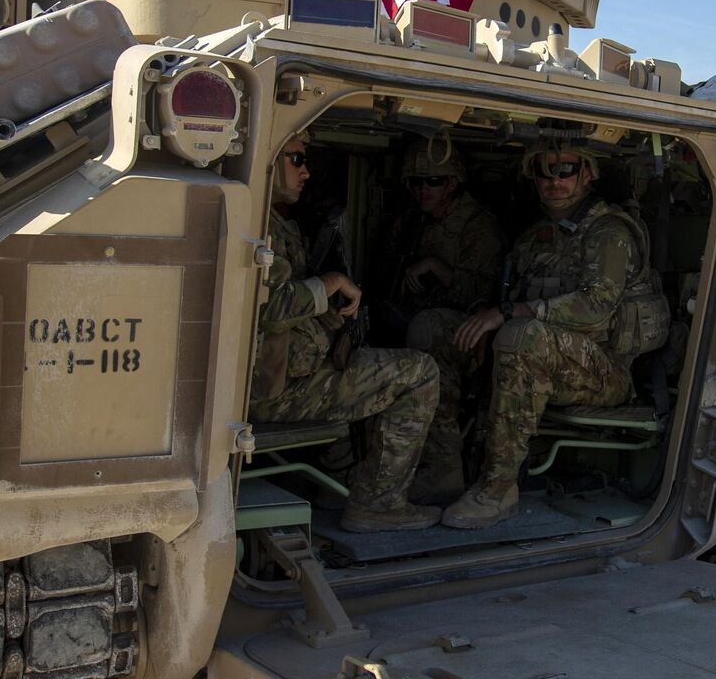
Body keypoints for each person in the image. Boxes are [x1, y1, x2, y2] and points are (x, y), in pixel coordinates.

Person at [435, 141, 668, 529]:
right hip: (545, 358)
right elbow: (508, 299)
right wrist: (486, 324)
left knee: (523, 335)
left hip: (606, 371)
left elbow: (595, 306)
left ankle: (498, 489)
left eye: (567, 170)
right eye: (546, 171)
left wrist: (509, 315)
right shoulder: (534, 238)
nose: (555, 181)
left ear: (587, 175)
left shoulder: (608, 232)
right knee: (439, 328)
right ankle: (440, 473)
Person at [249, 135, 443, 533]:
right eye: (297, 158)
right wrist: (331, 282)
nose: (306, 171)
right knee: (419, 372)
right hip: (272, 391)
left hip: (278, 377)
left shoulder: (265, 217)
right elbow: (268, 307)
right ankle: (379, 503)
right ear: (266, 158)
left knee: (360, 358)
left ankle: (336, 481)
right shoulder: (255, 223)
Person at [383, 143, 505, 504]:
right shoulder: (413, 223)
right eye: (417, 182)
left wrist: (439, 268)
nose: (424, 189)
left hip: (473, 331)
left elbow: (488, 293)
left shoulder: (478, 226)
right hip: (421, 320)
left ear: (452, 183)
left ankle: (443, 469)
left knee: (428, 330)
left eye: (433, 181)